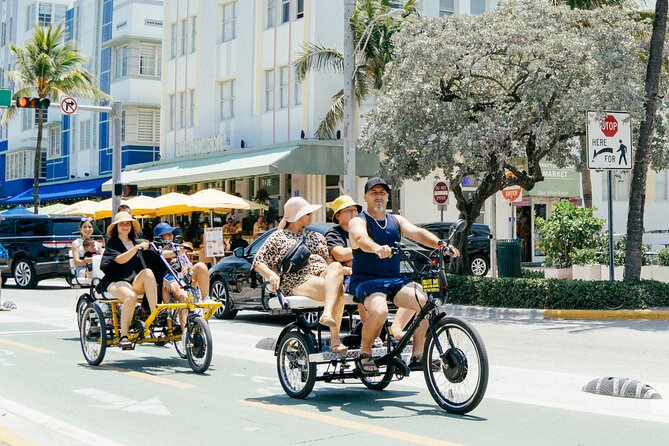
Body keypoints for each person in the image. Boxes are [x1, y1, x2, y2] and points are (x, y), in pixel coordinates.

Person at [348, 178, 460, 374]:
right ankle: (365, 353)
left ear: (388, 197)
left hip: (394, 279)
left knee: (425, 302)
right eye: (373, 193)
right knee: (380, 311)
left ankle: (418, 355)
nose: (378, 196)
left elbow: (418, 233)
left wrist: (441, 245)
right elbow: (360, 238)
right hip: (367, 280)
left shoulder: (396, 220)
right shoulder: (359, 220)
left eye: (382, 193)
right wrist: (376, 248)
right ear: (365, 197)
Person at [253, 197, 348, 356]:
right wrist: (271, 274)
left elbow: (330, 263)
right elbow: (258, 261)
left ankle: (327, 313)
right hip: (298, 278)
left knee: (336, 267)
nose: (311, 215)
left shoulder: (317, 236)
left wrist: (347, 270)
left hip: (323, 273)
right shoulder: (278, 237)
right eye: (307, 213)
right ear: (297, 216)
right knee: (337, 289)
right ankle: (335, 340)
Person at [325, 195, 382, 348]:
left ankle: (393, 331)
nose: (353, 213)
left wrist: (357, 254)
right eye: (348, 210)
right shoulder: (334, 233)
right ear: (337, 216)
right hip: (345, 278)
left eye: (355, 210)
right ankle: (372, 334)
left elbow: (374, 249)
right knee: (365, 287)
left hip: (367, 271)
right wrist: (363, 251)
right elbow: (339, 254)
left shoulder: (363, 230)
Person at [100, 212, 158, 350]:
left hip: (131, 280)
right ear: (116, 227)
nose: (125, 226)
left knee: (148, 272)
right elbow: (120, 260)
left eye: (128, 224)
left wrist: (146, 243)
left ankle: (154, 314)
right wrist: (136, 248)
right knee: (130, 296)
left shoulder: (135, 242)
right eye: (122, 224)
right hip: (114, 280)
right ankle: (124, 336)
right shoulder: (112, 243)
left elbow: (150, 248)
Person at [154, 222, 212, 304]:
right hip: (170, 279)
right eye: (167, 234)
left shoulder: (176, 247)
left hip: (185, 277)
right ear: (159, 238)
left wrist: (186, 268)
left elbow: (189, 265)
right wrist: (179, 251)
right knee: (184, 297)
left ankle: (206, 298)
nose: (170, 236)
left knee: (201, 266)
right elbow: (162, 255)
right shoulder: (156, 251)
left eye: (171, 234)